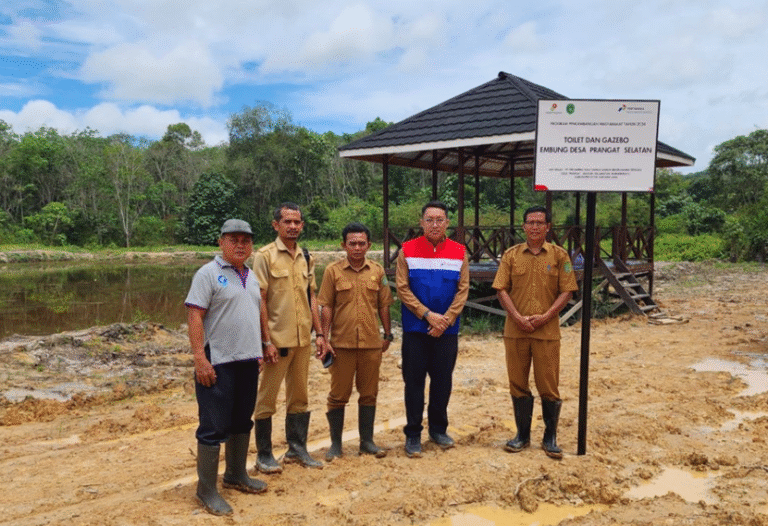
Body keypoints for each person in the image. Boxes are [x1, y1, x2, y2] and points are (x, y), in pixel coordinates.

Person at [185, 219, 268, 516]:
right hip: (217, 361)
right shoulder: (208, 274)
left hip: (247, 361)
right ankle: (206, 489)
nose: (240, 245)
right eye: (233, 239)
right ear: (221, 242)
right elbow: (195, 316)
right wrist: (199, 357)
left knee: (241, 419)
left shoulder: (251, 275)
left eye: (245, 240)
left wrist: (262, 346)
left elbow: (256, 311)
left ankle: (236, 474)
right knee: (213, 424)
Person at [492, 206, 579, 459]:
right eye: (530, 222)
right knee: (518, 383)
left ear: (548, 227)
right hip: (515, 330)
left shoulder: (560, 256)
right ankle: (522, 435)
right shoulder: (511, 255)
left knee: (548, 385)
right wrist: (518, 317)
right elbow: (501, 289)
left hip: (547, 331)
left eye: (540, 223)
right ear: (523, 226)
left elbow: (567, 290)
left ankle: (549, 437)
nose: (535, 227)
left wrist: (546, 316)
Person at [250, 202, 326, 472]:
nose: (293, 227)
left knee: (300, 396)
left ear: (302, 225)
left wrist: (320, 334)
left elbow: (312, 296)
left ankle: (297, 449)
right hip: (277, 343)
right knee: (267, 399)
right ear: (276, 225)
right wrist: (266, 341)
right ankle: (264, 455)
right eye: (287, 222)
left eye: (297, 222)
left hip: (303, 340)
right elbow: (259, 298)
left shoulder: (306, 255)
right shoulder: (265, 256)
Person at [396, 200, 469, 458]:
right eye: (430, 219)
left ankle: (438, 429)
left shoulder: (459, 251)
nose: (435, 224)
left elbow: (463, 290)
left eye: (440, 219)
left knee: (442, 381)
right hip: (416, 329)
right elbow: (402, 288)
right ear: (421, 222)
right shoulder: (407, 250)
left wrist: (446, 319)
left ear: (447, 223)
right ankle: (413, 434)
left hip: (446, 331)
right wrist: (427, 315)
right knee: (413, 383)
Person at [317, 222, 394, 461]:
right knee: (338, 395)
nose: (357, 248)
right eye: (353, 243)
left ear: (369, 245)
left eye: (362, 243)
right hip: (341, 345)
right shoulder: (333, 271)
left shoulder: (377, 271)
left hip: (371, 344)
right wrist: (324, 337)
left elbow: (384, 305)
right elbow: (326, 305)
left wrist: (388, 334)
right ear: (344, 245)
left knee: (369, 393)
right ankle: (336, 445)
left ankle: (367, 442)